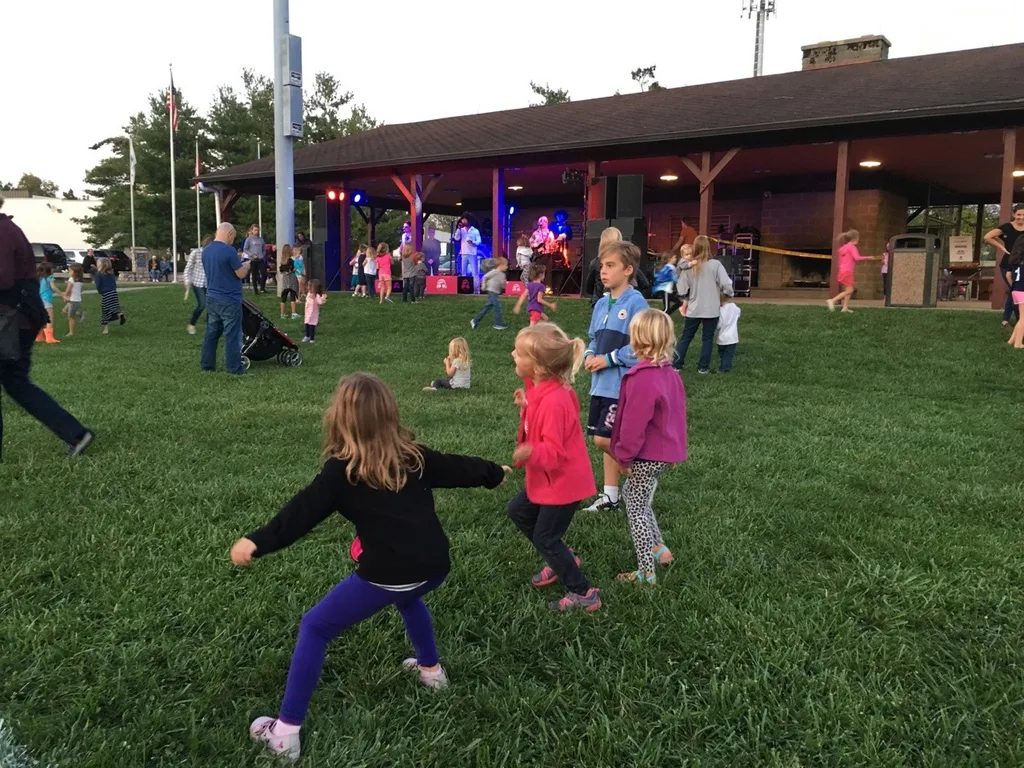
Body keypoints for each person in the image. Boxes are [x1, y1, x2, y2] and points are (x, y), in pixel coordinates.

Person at [233, 372, 509, 763]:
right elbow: (460, 467)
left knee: (315, 626)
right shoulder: (414, 456)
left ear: (339, 419)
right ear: (390, 415)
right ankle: (431, 671)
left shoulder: (342, 472)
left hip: (390, 573)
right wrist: (494, 472)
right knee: (410, 597)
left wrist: (257, 541)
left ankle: (285, 733)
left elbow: (299, 514)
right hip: (434, 566)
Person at [508, 322, 601, 612]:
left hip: (563, 483)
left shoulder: (555, 400)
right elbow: (537, 403)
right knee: (518, 511)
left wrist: (530, 450)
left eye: (519, 353)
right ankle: (561, 557)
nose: (513, 355)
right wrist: (526, 403)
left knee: (545, 538)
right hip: (549, 481)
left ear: (536, 367)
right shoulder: (542, 389)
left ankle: (583, 592)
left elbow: (554, 452)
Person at [0, 198, 94, 460]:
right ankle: (76, 434)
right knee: (16, 383)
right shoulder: (8, 229)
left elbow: (4, 277)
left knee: (16, 382)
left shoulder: (3, 231)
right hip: (20, 319)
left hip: (12, 322)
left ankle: (76, 434)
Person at [609, 309, 686, 584]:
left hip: (645, 456)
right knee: (636, 497)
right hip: (664, 454)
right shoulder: (670, 374)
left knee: (635, 508)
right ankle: (660, 549)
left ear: (636, 340)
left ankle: (646, 571)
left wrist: (624, 457)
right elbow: (677, 414)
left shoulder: (642, 378)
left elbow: (633, 425)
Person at [581, 240, 649, 513]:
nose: (603, 272)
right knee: (602, 437)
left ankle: (640, 472)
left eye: (611, 266)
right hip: (600, 385)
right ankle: (611, 497)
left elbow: (642, 346)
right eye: (602, 266)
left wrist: (608, 359)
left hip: (621, 386)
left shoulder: (637, 304)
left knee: (604, 440)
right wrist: (589, 354)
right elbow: (593, 338)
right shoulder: (600, 304)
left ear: (628, 270)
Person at [674, 235, 734, 373]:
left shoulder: (689, 267)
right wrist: (729, 293)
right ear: (708, 247)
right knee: (707, 339)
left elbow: (681, 289)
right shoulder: (716, 265)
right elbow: (726, 283)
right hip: (711, 308)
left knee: (686, 337)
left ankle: (677, 364)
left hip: (694, 308)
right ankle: (703, 367)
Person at [201, 222, 250, 375]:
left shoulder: (206, 251)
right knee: (232, 335)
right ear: (229, 234)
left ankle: (207, 366)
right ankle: (234, 369)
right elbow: (240, 274)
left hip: (212, 297)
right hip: (229, 299)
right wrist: (247, 266)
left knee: (211, 333)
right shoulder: (229, 251)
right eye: (233, 237)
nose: (233, 241)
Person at [984, 204, 1024, 328]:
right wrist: (1002, 247)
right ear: (1014, 214)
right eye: (1018, 214)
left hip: (1022, 266)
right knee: (1015, 291)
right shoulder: (1007, 227)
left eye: (1023, 215)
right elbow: (987, 237)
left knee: (1016, 291)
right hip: (1008, 265)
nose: (1021, 217)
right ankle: (1015, 320)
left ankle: (1009, 320)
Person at [827, 229, 874, 313]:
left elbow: (840, 261)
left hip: (842, 271)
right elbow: (857, 258)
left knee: (848, 288)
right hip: (848, 271)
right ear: (854, 239)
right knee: (850, 290)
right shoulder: (852, 247)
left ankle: (845, 307)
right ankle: (832, 300)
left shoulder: (843, 248)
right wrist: (868, 257)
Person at [471, 256, 509, 330]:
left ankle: (475, 320)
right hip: (491, 291)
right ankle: (498, 324)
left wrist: (504, 284)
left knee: (487, 308)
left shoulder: (503, 275)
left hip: (495, 292)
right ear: (500, 265)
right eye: (505, 265)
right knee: (498, 307)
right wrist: (484, 286)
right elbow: (485, 277)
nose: (507, 267)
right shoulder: (494, 272)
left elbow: (503, 286)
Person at [184, 239, 209, 336]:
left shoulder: (213, 254)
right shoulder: (196, 253)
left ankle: (210, 327)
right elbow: (188, 267)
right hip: (197, 283)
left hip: (209, 283)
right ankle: (192, 324)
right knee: (202, 304)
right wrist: (187, 280)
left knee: (211, 306)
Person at [94, 258, 125, 335]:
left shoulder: (99, 274)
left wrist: (100, 292)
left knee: (106, 311)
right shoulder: (111, 274)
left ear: (101, 265)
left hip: (106, 293)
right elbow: (114, 284)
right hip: (113, 293)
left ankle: (105, 329)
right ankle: (120, 314)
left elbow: (98, 285)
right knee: (114, 307)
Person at [1005, 238, 1024, 348]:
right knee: (1023, 320)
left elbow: (1008, 276)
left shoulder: (1015, 262)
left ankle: (1011, 340)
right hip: (1023, 291)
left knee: (1022, 318)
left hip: (1016, 290)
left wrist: (1014, 286)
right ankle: (1018, 343)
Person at [453, 216, 482, 289]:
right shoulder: (461, 230)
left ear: (469, 220)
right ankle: (463, 288)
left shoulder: (475, 230)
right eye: (462, 220)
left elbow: (479, 241)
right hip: (464, 253)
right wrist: (458, 229)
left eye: (464, 220)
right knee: (463, 272)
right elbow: (456, 238)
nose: (463, 221)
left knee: (474, 272)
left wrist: (473, 243)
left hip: (472, 253)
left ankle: (476, 289)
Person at [36, 263, 61, 344]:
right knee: (49, 319)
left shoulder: (38, 278)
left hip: (38, 300)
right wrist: (62, 294)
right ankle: (49, 338)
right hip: (46, 299)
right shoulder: (49, 277)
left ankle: (39, 336)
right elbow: (53, 287)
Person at [716, 295, 741, 373]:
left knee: (722, 353)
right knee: (729, 353)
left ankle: (724, 368)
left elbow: (720, 323)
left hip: (722, 336)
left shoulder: (721, 310)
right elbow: (738, 313)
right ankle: (727, 366)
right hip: (733, 337)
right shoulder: (735, 308)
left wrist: (715, 329)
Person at [652, 251, 682, 315]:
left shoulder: (672, 267)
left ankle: (667, 315)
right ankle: (660, 317)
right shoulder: (668, 268)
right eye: (674, 257)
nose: (676, 259)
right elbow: (672, 278)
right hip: (666, 290)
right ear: (669, 259)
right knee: (666, 308)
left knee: (679, 303)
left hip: (670, 291)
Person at [62, 264, 86, 337]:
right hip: (77, 300)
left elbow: (68, 290)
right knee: (65, 311)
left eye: (70, 270)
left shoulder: (71, 279)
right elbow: (81, 290)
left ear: (75, 272)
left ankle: (71, 333)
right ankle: (81, 314)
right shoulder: (79, 280)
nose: (68, 272)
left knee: (70, 317)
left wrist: (65, 297)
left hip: (73, 301)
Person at [278, 244, 300, 319]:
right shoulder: (291, 261)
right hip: (291, 280)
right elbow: (291, 269)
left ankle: (282, 314)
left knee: (283, 298)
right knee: (292, 296)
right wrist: (294, 269)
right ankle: (293, 313)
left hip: (285, 281)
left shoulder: (282, 261)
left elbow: (281, 270)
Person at [243, 225, 268, 294]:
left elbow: (264, 249)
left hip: (260, 259)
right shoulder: (249, 239)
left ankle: (262, 288)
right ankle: (255, 290)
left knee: (264, 273)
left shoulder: (261, 239)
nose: (256, 232)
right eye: (255, 230)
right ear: (252, 231)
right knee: (254, 275)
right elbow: (245, 249)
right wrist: (251, 255)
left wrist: (262, 255)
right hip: (253, 260)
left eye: (258, 230)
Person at [302, 279, 327, 344]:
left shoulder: (317, 295)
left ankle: (312, 338)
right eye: (308, 286)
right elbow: (307, 301)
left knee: (312, 325)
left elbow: (320, 302)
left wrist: (323, 297)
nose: (308, 287)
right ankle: (307, 336)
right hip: (307, 312)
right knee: (307, 323)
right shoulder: (309, 294)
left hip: (313, 314)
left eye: (310, 286)